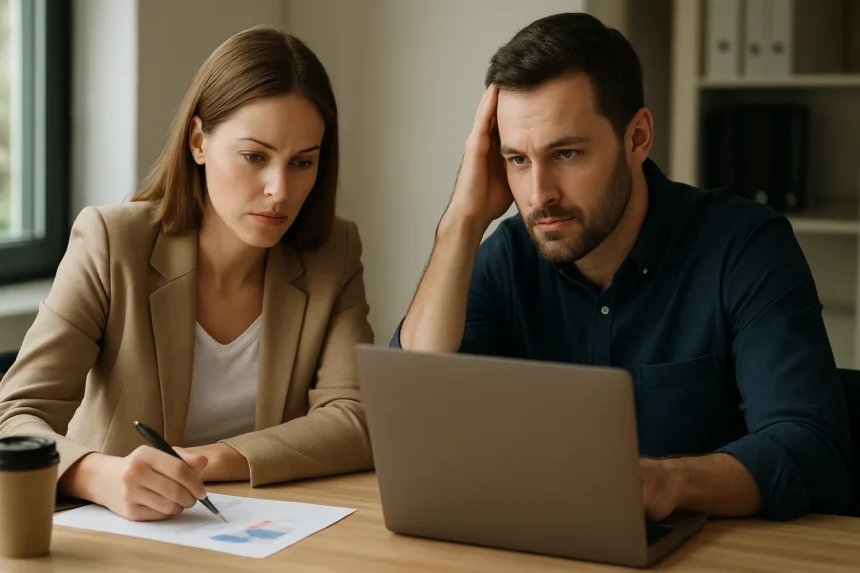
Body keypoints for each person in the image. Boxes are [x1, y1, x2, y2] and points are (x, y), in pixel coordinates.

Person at [391, 12, 852, 521]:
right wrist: (461, 220)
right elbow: (413, 409)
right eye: (517, 160)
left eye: (565, 153)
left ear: (638, 138)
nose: (539, 195)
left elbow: (811, 447)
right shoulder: (507, 256)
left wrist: (668, 481)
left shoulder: (744, 246)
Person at [0, 27, 374, 521]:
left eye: (303, 162)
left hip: (257, 532)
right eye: (255, 157)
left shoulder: (333, 252)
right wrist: (98, 475)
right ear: (199, 141)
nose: (279, 190)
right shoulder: (113, 243)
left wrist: (203, 460)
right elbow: (13, 420)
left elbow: (356, 419)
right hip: (115, 535)